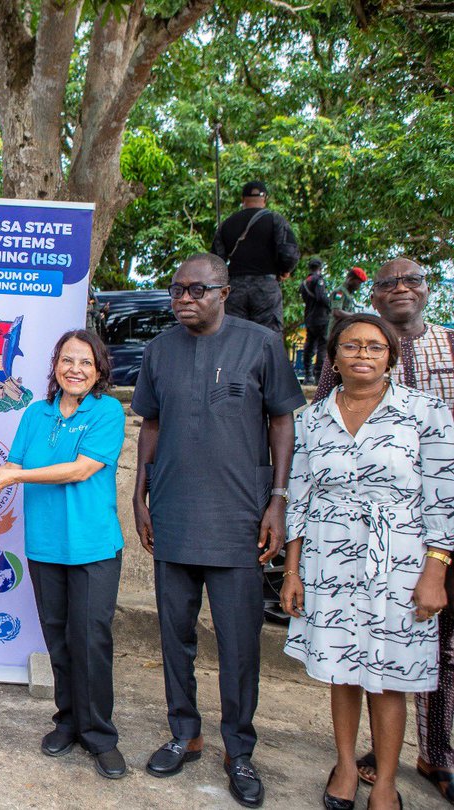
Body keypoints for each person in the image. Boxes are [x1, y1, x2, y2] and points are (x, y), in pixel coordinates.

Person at [132, 253, 304, 807]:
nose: (183, 299)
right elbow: (152, 423)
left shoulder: (261, 344)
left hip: (240, 519)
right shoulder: (159, 350)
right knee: (175, 637)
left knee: (239, 645)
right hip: (176, 515)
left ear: (224, 292)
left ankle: (240, 748)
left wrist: (277, 501)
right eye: (177, 290)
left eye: (196, 290)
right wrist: (140, 494)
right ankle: (185, 732)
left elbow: (282, 419)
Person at [280, 313, 454, 810]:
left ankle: (385, 782)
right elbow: (301, 495)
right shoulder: (312, 418)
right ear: (334, 356)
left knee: (390, 675)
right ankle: (343, 765)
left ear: (390, 358)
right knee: (342, 670)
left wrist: (436, 570)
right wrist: (293, 573)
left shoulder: (425, 411)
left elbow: (444, 496)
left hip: (400, 559)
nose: (363, 354)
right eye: (352, 346)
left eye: (375, 347)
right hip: (328, 557)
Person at [0, 329, 128, 779]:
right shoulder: (35, 413)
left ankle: (100, 735)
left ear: (99, 369)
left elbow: (81, 470)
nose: (75, 369)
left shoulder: (108, 411)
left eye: (85, 362)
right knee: (60, 639)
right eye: (67, 360)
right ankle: (68, 721)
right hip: (45, 545)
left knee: (92, 640)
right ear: (55, 366)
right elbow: (15, 466)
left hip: (93, 546)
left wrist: (15, 478)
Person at [210, 180, 300, 337]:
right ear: (265, 198)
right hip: (265, 287)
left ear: (242, 199)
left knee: (234, 337)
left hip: (234, 289)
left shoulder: (227, 224)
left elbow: (216, 262)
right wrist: (285, 270)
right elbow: (289, 253)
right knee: (268, 338)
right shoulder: (275, 220)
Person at [299, 258, 330, 383]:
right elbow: (321, 296)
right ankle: (319, 375)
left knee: (309, 345)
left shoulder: (305, 282)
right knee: (323, 345)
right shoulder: (319, 280)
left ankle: (308, 374)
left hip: (309, 317)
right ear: (320, 268)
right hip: (321, 317)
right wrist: (330, 305)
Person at [329, 267, 368, 337]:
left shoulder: (349, 293)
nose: (359, 286)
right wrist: (356, 316)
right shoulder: (340, 292)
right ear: (350, 279)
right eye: (358, 283)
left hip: (345, 329)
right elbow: (337, 312)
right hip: (336, 331)